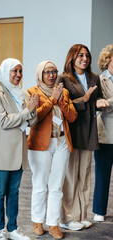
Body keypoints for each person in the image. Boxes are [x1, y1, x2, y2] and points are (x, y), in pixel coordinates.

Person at [57, 44, 109, 231]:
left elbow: (97, 99)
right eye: (80, 55)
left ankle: (81, 215)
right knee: (71, 177)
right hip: (73, 130)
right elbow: (61, 104)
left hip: (90, 131)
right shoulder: (63, 78)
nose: (84, 59)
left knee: (84, 176)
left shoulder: (93, 77)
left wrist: (98, 101)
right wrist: (84, 100)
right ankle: (66, 217)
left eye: (87, 55)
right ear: (72, 57)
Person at [0, 58, 38, 240]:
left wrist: (32, 110)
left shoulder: (23, 93)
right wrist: (27, 112)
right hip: (2, 151)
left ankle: (13, 228)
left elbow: (33, 121)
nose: (18, 75)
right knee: (0, 191)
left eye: (20, 71)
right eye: (14, 71)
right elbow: (3, 121)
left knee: (14, 192)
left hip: (19, 150)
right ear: (5, 72)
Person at [27, 61, 77, 239]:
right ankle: (37, 221)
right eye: (47, 72)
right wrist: (52, 100)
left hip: (62, 142)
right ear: (40, 74)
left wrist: (61, 101)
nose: (51, 75)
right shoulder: (32, 92)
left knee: (56, 186)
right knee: (40, 184)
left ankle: (54, 224)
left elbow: (72, 116)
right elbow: (35, 117)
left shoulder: (63, 91)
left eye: (54, 71)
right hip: (40, 144)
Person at [93, 44, 113, 222]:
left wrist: (109, 102)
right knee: (102, 172)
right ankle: (99, 210)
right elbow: (101, 105)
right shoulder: (99, 80)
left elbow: (107, 103)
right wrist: (106, 103)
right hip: (106, 132)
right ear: (108, 61)